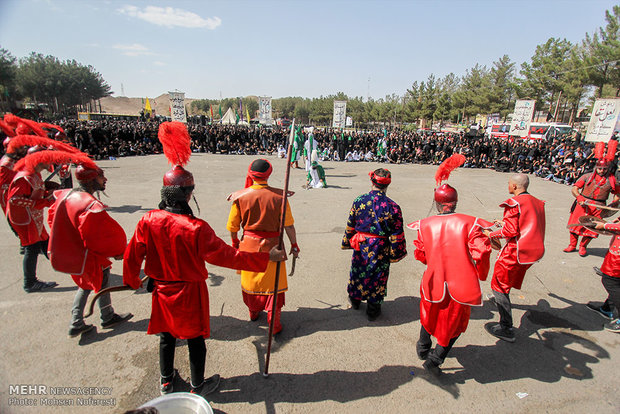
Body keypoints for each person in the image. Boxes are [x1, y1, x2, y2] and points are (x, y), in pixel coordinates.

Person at [123, 123, 287, 397]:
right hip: (189, 292)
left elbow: (132, 255)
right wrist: (263, 257)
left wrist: (131, 280)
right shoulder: (195, 228)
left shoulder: (147, 220)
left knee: (167, 336)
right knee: (195, 338)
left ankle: (166, 382)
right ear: (188, 194)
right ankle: (197, 386)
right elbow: (228, 256)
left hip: (161, 290)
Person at [408, 183, 492, 375]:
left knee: (429, 312)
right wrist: (480, 271)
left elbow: (421, 255)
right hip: (461, 283)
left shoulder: (424, 224)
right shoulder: (470, 223)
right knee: (454, 322)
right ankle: (435, 358)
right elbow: (482, 251)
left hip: (433, 280)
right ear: (455, 203)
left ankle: (423, 346)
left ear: (437, 204)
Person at [48, 162, 133, 338]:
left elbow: (52, 218)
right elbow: (99, 236)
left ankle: (100, 316)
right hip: (89, 253)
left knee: (91, 283)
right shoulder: (89, 204)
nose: (105, 179)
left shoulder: (67, 195)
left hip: (78, 250)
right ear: (92, 179)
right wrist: (117, 251)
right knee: (90, 284)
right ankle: (81, 321)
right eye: (101, 176)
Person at [226, 158, 299, 334]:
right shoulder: (279, 197)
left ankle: (253, 311)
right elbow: (288, 225)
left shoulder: (240, 196)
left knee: (252, 282)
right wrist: (294, 244)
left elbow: (233, 227)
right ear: (269, 174)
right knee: (273, 285)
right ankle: (274, 321)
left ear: (251, 174)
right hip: (274, 246)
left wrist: (235, 242)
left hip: (249, 245)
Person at [486, 173, 546, 342]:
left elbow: (510, 232)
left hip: (516, 250)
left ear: (514, 186)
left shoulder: (514, 203)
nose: (508, 186)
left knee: (499, 284)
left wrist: (491, 234)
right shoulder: (537, 201)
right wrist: (504, 223)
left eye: (509, 183)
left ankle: (506, 328)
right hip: (534, 250)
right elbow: (526, 223)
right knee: (507, 280)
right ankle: (501, 298)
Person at [341, 168, 407, 320]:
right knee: (378, 275)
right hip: (380, 247)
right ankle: (373, 308)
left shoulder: (359, 200)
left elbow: (351, 223)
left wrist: (347, 240)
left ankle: (355, 300)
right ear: (387, 184)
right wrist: (396, 252)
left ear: (372, 181)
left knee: (358, 270)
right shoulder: (393, 207)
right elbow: (397, 233)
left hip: (361, 244)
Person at [6, 149, 59, 293]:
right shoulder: (25, 177)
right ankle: (29, 282)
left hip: (32, 217)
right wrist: (40, 202)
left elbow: (33, 192)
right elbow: (15, 199)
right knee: (32, 248)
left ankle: (61, 263)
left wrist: (46, 192)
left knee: (44, 240)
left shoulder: (34, 174)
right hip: (25, 219)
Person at [564, 141, 619, 256]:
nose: (602, 171)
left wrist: (613, 204)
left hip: (598, 207)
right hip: (583, 203)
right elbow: (575, 188)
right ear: (596, 167)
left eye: (604, 169)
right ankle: (572, 245)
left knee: (592, 228)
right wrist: (579, 197)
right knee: (575, 224)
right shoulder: (587, 176)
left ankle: (583, 246)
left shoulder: (612, 180)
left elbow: (617, 194)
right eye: (600, 169)